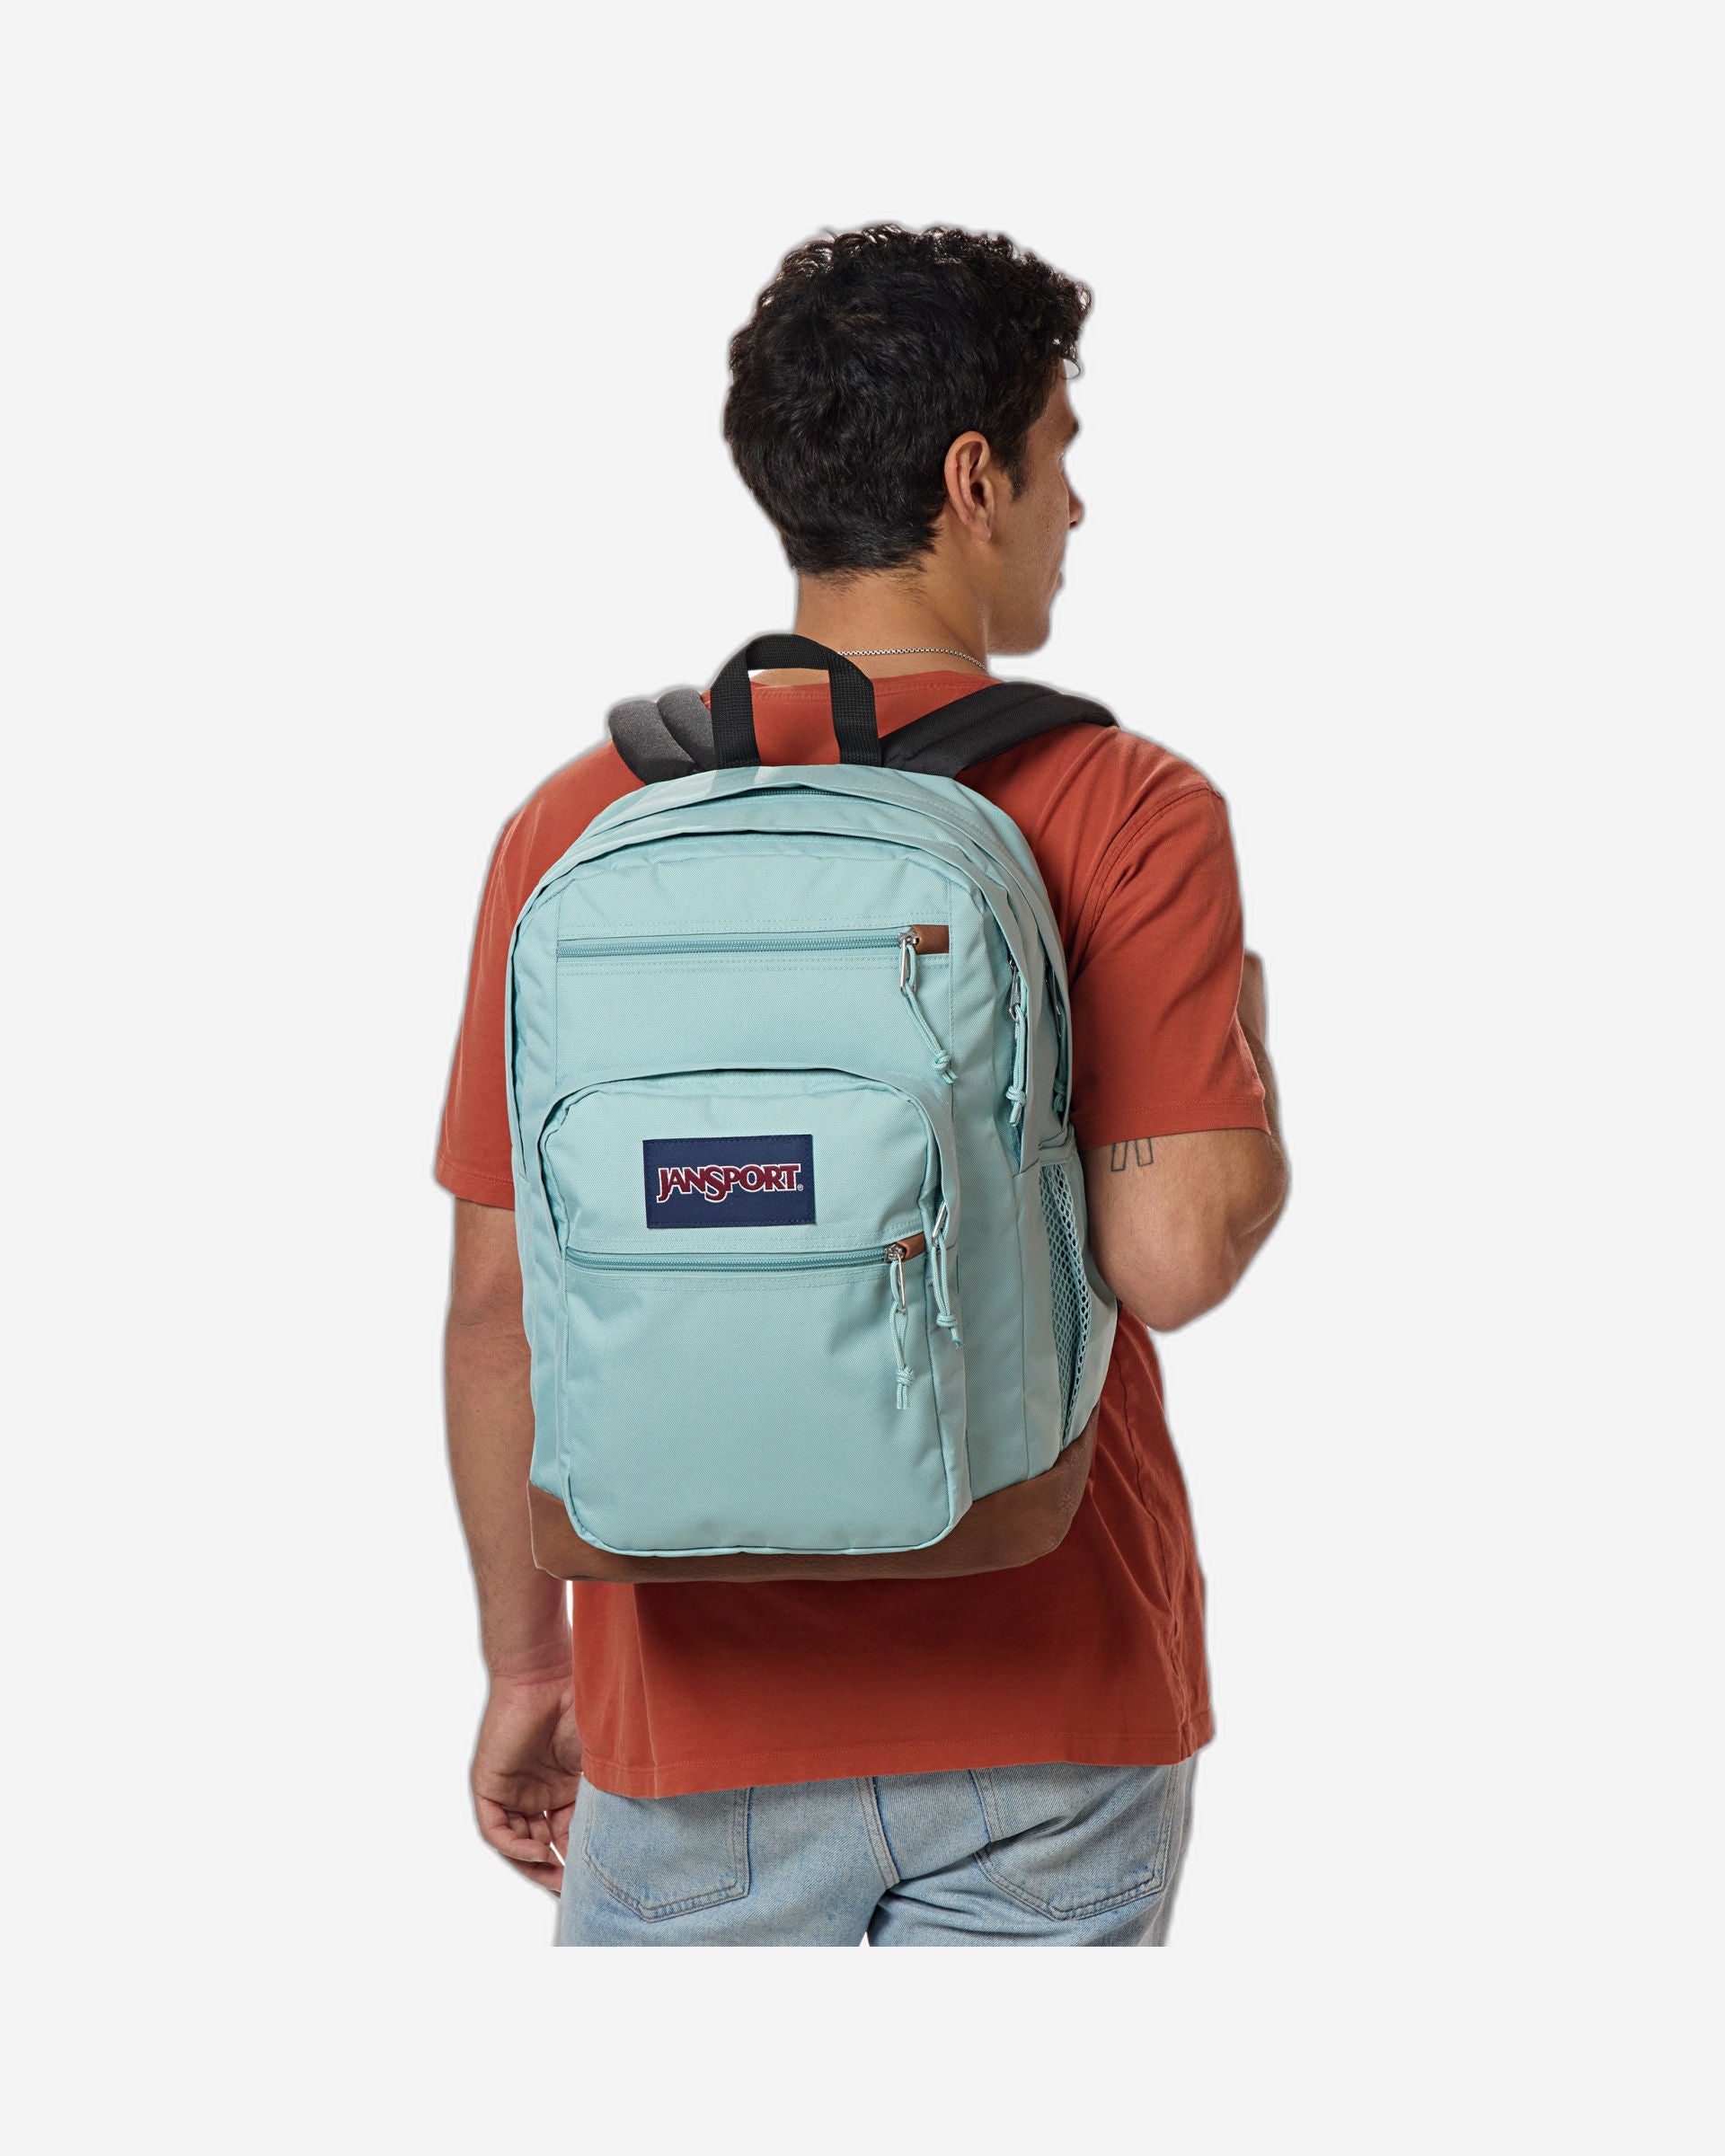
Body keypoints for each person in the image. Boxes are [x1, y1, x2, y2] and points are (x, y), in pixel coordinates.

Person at [438, 224, 1287, 1946]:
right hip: (1051, 1707)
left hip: (693, 1733)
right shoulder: (1125, 805)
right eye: (1060, 456)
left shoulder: (582, 820)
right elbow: (1176, 1253)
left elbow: (497, 1311)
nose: (1075, 508)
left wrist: (530, 1671)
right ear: (974, 480)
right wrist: (1248, 1071)